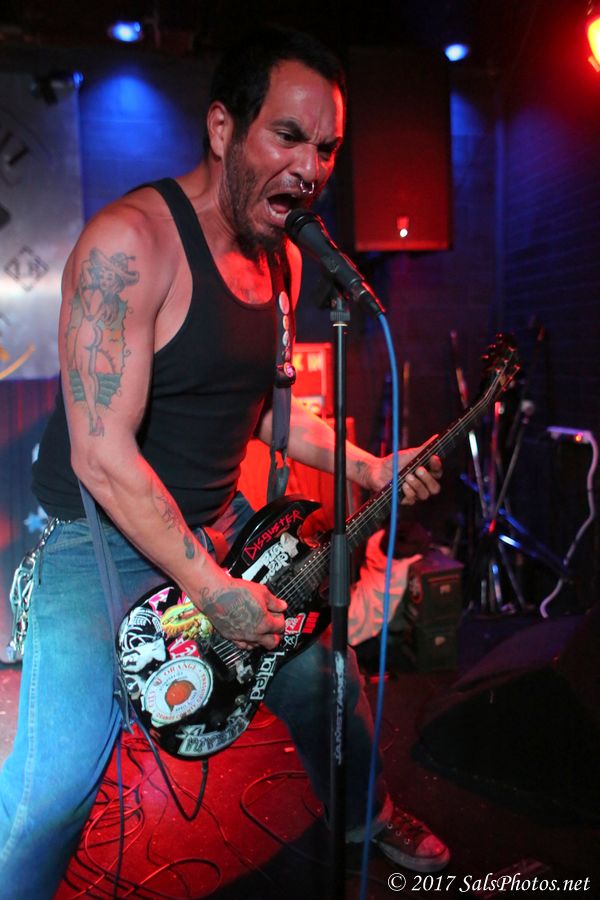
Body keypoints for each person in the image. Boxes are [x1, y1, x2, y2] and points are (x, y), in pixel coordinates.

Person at [0, 26, 449, 897]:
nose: (312, 168)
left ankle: (367, 816)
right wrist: (208, 588)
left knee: (326, 678)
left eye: (327, 147)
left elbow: (270, 411)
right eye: (288, 136)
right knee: (54, 787)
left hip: (217, 527)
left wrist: (368, 465)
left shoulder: (284, 263)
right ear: (222, 129)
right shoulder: (131, 244)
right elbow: (100, 453)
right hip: (97, 538)